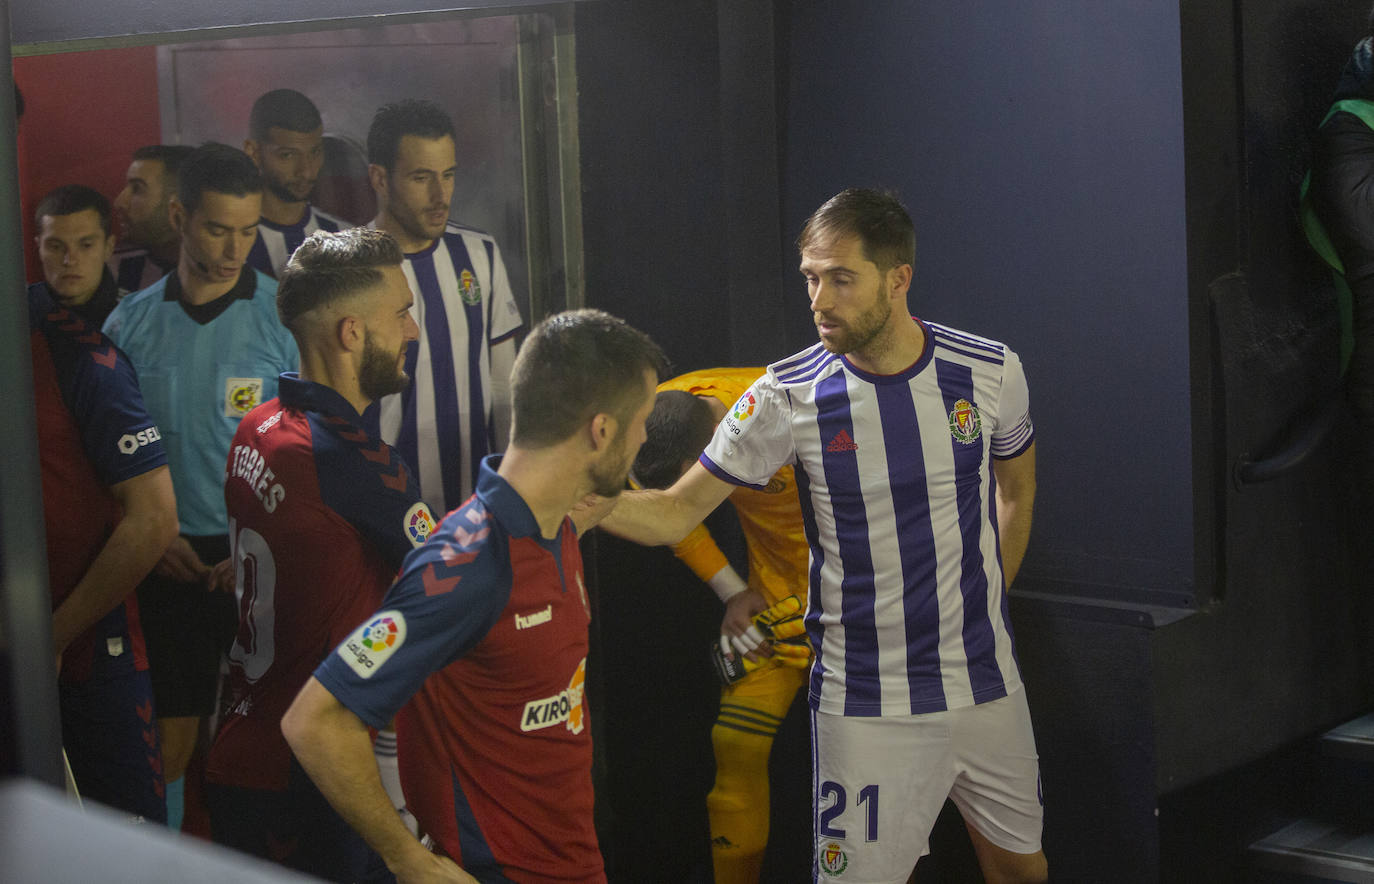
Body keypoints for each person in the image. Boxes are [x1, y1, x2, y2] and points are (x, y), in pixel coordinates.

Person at [590, 189, 1046, 883]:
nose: (819, 299)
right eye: (810, 277)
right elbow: (675, 512)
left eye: (841, 278)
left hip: (986, 687)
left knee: (1022, 871)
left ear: (899, 279)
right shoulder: (782, 396)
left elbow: (1017, 489)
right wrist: (570, 499)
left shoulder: (989, 370)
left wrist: (987, 599)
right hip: (863, 704)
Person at [282, 308, 665, 884]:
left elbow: (671, 514)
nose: (645, 437)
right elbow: (314, 719)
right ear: (601, 430)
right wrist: (408, 859)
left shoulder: (557, 521)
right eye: (643, 421)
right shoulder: (466, 567)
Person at [206, 228, 433, 880]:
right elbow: (455, 574)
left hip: (242, 749)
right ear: (352, 333)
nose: (413, 331)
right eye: (402, 313)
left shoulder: (259, 426)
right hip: (308, 783)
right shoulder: (352, 465)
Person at [103, 142, 298, 829]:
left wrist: (261, 541)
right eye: (218, 228)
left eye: (248, 231)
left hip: (259, 560)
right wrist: (151, 543)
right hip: (168, 557)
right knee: (170, 743)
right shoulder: (128, 326)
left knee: (270, 741)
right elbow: (106, 463)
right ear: (181, 216)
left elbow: (309, 454)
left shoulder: (284, 318)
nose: (234, 247)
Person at [630, 371, 812, 884]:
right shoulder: (657, 422)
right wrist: (733, 590)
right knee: (735, 745)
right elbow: (667, 516)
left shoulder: (792, 410)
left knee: (870, 779)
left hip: (860, 610)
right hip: (775, 610)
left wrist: (842, 609)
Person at [29, 274, 179, 822]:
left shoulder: (78, 356)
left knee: (128, 852)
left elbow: (155, 519)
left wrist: (51, 636)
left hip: (90, 661)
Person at [365, 98, 524, 516]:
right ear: (379, 178)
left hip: (475, 506)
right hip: (386, 508)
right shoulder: (350, 267)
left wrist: (513, 487)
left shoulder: (480, 254)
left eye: (448, 175)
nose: (440, 196)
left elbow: (504, 383)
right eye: (421, 178)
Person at [243, 88, 349, 278]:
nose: (306, 171)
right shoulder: (231, 248)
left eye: (314, 152)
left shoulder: (342, 239)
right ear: (254, 152)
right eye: (288, 155)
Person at [30, 185, 121, 327]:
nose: (69, 261)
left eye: (86, 245)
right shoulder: (14, 316)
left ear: (108, 248)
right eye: (56, 247)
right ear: (39, 248)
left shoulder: (136, 317)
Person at [110, 145, 194, 292]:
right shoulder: (111, 271)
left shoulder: (233, 272)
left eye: (137, 189)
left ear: (178, 205)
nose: (119, 202)